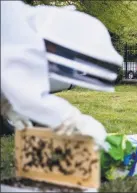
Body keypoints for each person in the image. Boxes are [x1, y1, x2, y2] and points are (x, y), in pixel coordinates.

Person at [1, 1, 123, 150]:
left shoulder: (15, 18)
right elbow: (28, 96)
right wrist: (72, 119)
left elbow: (11, 77)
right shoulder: (19, 29)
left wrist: (7, 102)